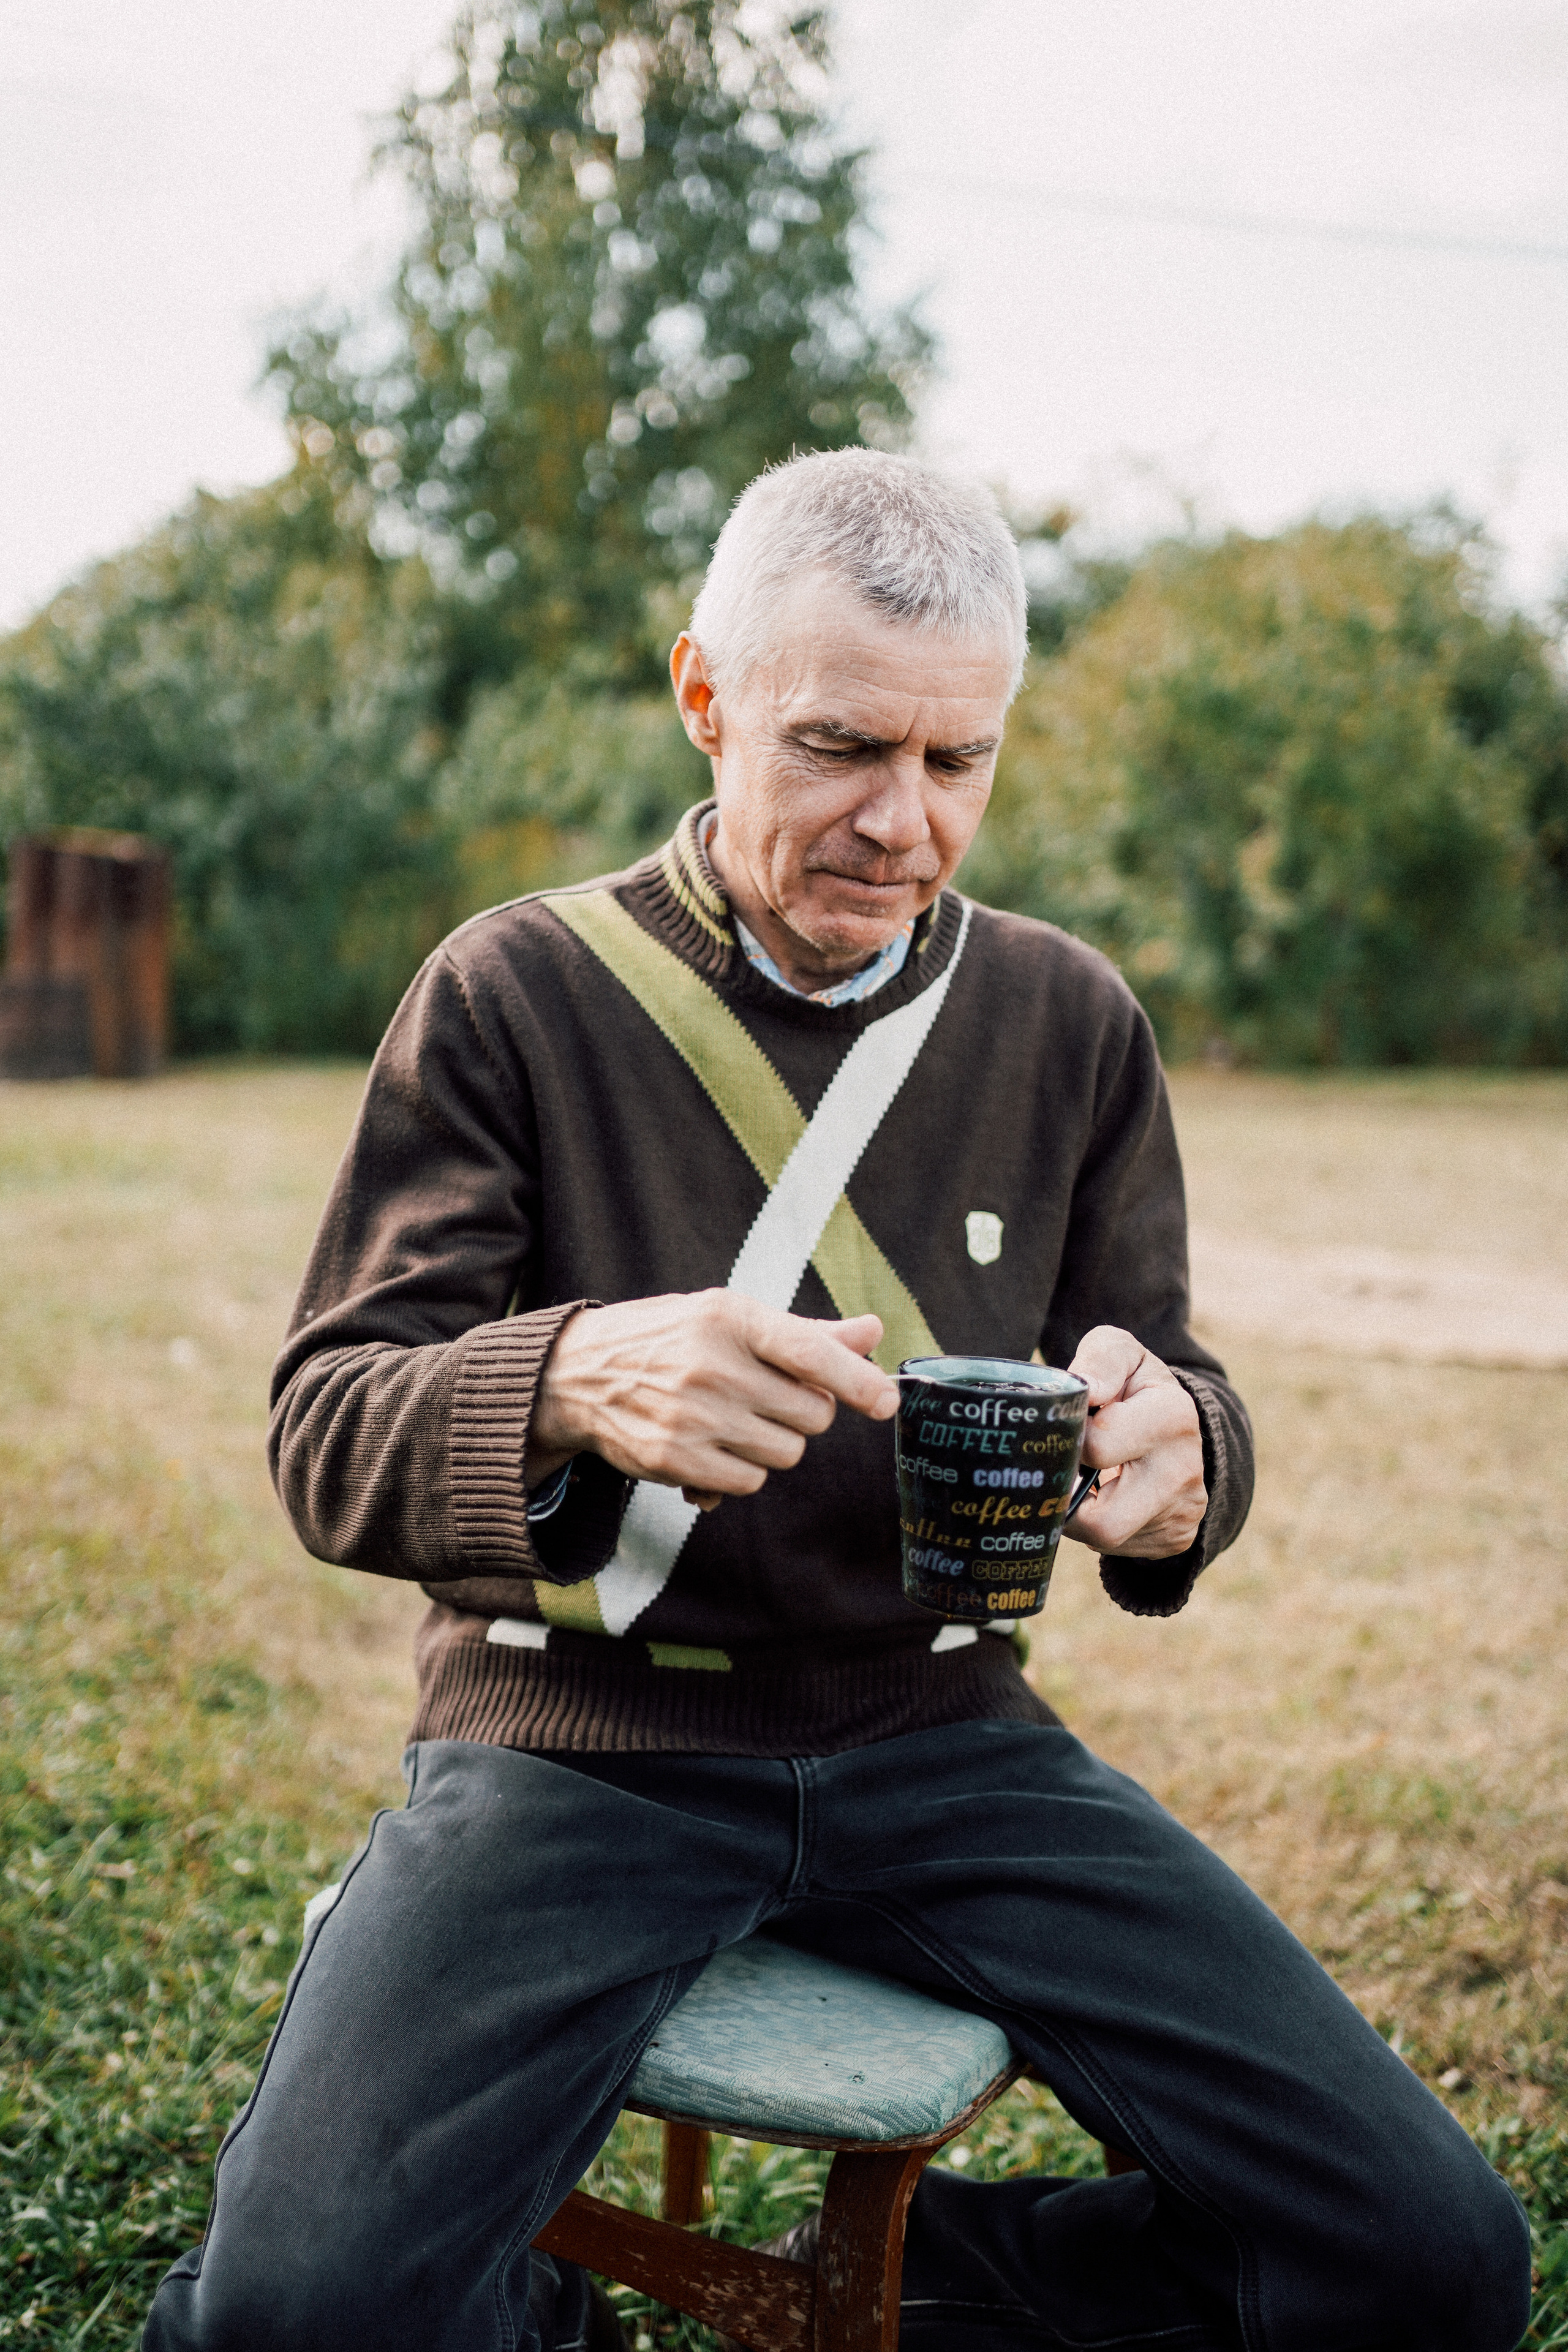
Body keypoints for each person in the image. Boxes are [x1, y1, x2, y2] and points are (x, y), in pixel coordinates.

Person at [144, 450, 1530, 2352]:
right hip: (577, 1750)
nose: (905, 822)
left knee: (1436, 2263)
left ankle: (942, 2274)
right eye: (841, 747)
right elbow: (326, 1425)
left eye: (958, 763)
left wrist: (1189, 1459)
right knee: (296, 2320)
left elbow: (1168, 1373)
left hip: (947, 1742)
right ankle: (530, 2300)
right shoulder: (512, 993)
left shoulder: (1071, 1022)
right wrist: (566, 1374)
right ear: (705, 701)